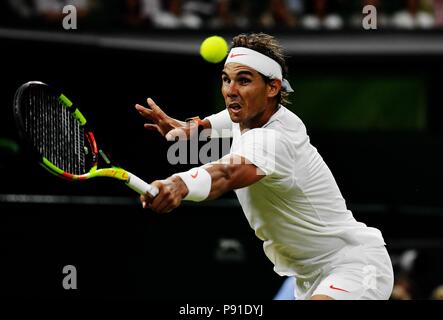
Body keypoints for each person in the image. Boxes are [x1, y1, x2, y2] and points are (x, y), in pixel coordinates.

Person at [135, 32, 394, 300]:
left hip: (355, 267)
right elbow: (227, 118)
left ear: (272, 88)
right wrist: (196, 127)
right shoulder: (253, 112)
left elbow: (227, 173)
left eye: (244, 81)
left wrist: (179, 184)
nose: (231, 91)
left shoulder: (274, 139)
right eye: (226, 79)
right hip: (309, 278)